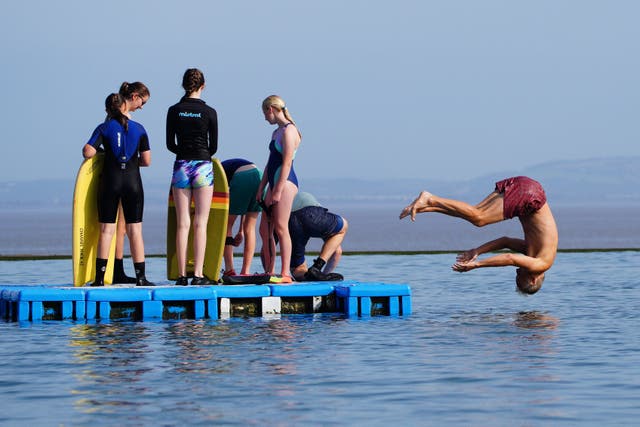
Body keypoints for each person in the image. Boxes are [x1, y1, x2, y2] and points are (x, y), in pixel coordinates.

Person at [399, 176, 558, 294]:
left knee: (475, 214)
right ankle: (430, 198)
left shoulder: (534, 251)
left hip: (529, 191)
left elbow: (505, 242)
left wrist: (476, 251)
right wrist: (477, 265)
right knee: (479, 218)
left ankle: (426, 206)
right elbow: (510, 258)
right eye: (519, 275)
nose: (517, 271)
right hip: (529, 195)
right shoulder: (542, 264)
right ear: (533, 279)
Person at [83, 91, 154, 287]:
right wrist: (129, 162)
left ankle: (99, 279)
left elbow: (88, 152)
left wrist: (106, 154)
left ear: (107, 109)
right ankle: (141, 278)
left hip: (110, 182)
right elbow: (147, 161)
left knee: (106, 230)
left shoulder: (104, 127)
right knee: (135, 231)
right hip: (133, 182)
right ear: (124, 106)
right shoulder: (139, 128)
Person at [166, 68, 218, 286]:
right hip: (203, 165)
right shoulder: (210, 112)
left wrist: (184, 152)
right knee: (201, 222)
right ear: (203, 86)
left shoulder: (174, 110)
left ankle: (181, 276)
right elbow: (213, 145)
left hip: (182, 165)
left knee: (182, 223)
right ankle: (197, 274)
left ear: (183, 85)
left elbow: (170, 143)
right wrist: (201, 154)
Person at [256, 95, 301, 283]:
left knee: (281, 228)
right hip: (274, 181)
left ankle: (285, 274)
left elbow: (286, 162)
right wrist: (262, 188)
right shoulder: (276, 133)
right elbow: (269, 164)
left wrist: (278, 190)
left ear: (271, 109)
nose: (265, 118)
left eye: (265, 114)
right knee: (265, 229)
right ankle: (270, 270)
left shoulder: (290, 131)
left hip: (286, 182)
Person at [112, 81, 152, 283]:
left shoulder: (110, 118)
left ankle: (116, 269)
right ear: (134, 96)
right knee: (124, 227)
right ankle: (125, 271)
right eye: (142, 102)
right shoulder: (129, 122)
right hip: (129, 178)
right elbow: (144, 159)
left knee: (120, 226)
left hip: (112, 178)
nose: (142, 107)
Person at [288, 192, 347, 282]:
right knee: (343, 227)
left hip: (290, 221)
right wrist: (324, 275)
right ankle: (317, 269)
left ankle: (313, 275)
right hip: (310, 215)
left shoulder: (286, 200)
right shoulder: (313, 206)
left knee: (298, 270)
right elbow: (337, 252)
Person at [221, 158, 263, 276]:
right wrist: (240, 231)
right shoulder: (229, 165)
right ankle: (245, 271)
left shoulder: (213, 172)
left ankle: (229, 270)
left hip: (241, 177)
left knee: (226, 225)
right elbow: (243, 205)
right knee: (250, 227)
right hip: (259, 176)